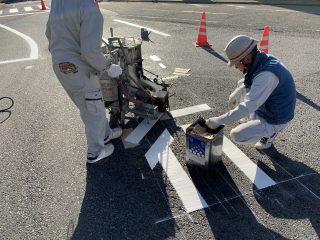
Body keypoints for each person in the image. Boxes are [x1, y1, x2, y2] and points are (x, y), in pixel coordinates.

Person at [46, 0, 123, 163]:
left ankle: (105, 133)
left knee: (91, 102)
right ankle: (95, 151)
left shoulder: (59, 2)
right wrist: (109, 67)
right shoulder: (90, 9)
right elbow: (90, 52)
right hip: (78, 67)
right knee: (92, 108)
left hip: (60, 64)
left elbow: (49, 33)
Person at [206, 35, 296, 149]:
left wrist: (219, 121)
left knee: (237, 135)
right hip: (270, 106)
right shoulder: (264, 59)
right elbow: (251, 79)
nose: (235, 67)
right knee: (242, 84)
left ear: (247, 59)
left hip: (276, 118)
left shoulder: (266, 75)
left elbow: (249, 105)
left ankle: (270, 133)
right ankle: (254, 122)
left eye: (236, 63)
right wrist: (239, 90)